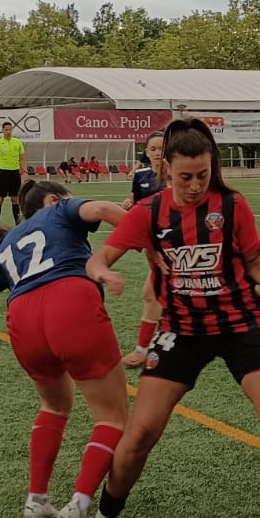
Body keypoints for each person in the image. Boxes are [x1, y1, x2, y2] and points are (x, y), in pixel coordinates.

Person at [83, 118, 260, 518]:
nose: (196, 184)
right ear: (166, 169)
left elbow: (255, 265)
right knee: (142, 431)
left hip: (242, 324)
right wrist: (103, 271)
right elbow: (100, 257)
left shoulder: (234, 206)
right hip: (181, 329)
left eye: (203, 174)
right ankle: (106, 516)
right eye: (185, 177)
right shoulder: (150, 213)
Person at [0, 181, 130, 518]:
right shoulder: (61, 209)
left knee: (54, 407)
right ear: (53, 199)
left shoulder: (2, 245)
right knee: (112, 417)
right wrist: (152, 243)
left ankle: (37, 499)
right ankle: (77, 503)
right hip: (69, 300)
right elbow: (106, 210)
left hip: (23, 317)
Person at [119, 132, 168, 368]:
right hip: (154, 243)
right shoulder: (140, 175)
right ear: (147, 152)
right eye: (154, 149)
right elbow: (138, 205)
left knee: (152, 292)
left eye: (162, 148)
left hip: (174, 243)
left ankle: (144, 349)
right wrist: (129, 205)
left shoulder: (176, 174)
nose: (158, 152)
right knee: (160, 293)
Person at [0, 121, 26, 226]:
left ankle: (18, 223)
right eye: (6, 129)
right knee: (0, 198)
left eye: (10, 129)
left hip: (15, 173)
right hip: (3, 173)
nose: (8, 132)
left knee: (15, 199)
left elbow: (23, 158)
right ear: (2, 130)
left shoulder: (17, 142)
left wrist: (24, 172)